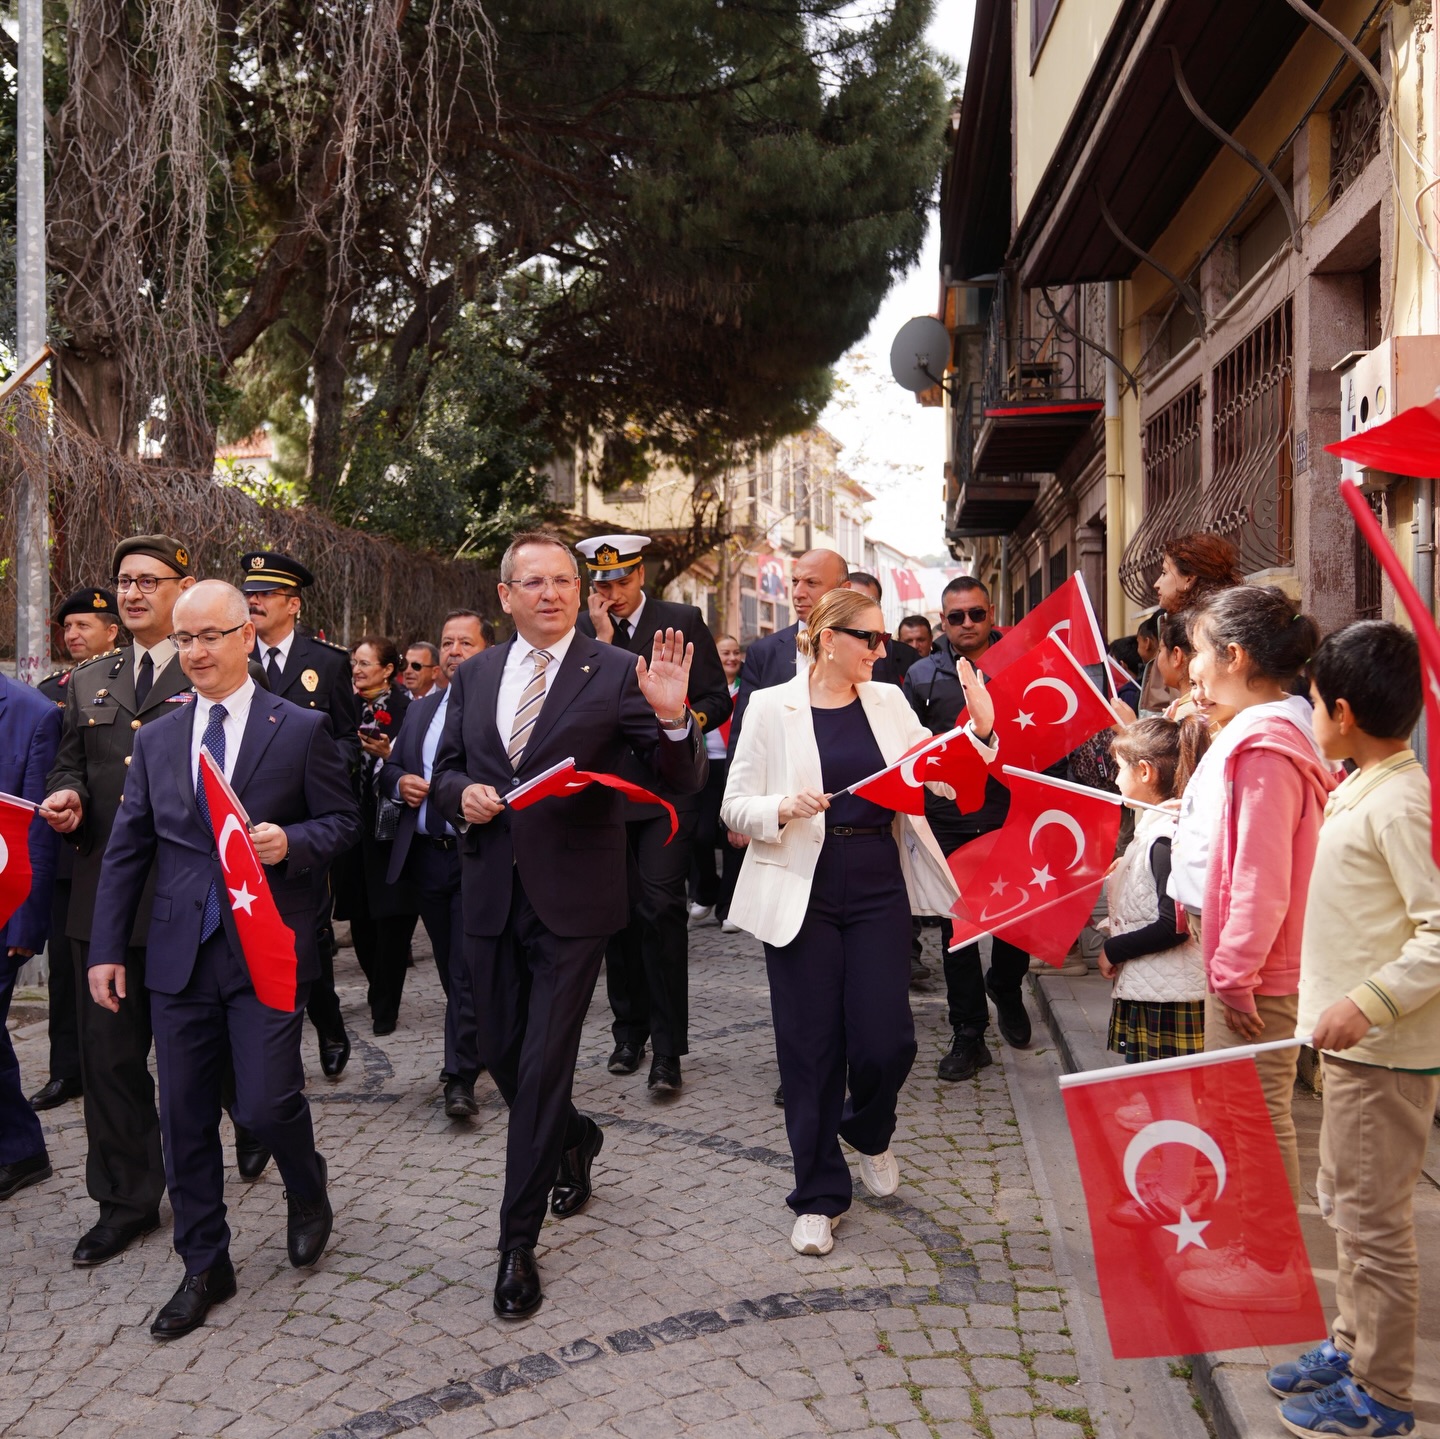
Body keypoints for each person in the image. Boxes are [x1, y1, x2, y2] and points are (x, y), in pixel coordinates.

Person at [430, 530, 707, 1319]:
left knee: (546, 1061)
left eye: (563, 581)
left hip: (575, 901)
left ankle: (516, 1244)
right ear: (505, 593)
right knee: (495, 1050)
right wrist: (459, 797)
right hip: (488, 890)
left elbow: (675, 775)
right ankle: (574, 1136)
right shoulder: (476, 672)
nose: (550, 593)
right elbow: (447, 765)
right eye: (534, 581)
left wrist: (674, 718)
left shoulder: (617, 670)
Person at [88, 581, 360, 1338]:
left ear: (248, 635)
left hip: (265, 946)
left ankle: (306, 1188)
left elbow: (344, 821)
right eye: (186, 638)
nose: (198, 651)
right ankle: (205, 1261)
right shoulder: (159, 738)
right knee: (183, 1118)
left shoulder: (299, 728)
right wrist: (107, 948)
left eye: (213, 635)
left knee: (269, 1103)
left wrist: (292, 843)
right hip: (177, 955)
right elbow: (127, 851)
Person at [722, 588, 994, 1257]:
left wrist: (979, 732)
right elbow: (733, 805)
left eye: (881, 638)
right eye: (868, 639)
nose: (882, 649)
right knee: (810, 1048)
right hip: (800, 883)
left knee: (887, 1040)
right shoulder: (768, 705)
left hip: (876, 878)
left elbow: (938, 774)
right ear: (824, 638)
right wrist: (781, 806)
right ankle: (817, 1195)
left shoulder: (889, 700)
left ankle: (868, 1128)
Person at [1264, 621, 1440, 1439]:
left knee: (1375, 1230)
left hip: (1384, 1053)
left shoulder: (1405, 802)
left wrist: (1366, 1001)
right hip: (1348, 1049)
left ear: (1341, 709)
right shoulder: (1361, 782)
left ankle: (1385, 1394)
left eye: (1310, 701)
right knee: (1347, 1210)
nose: (1308, 714)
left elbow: (1437, 932)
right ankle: (1351, 1343)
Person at [1168, 585, 1335, 1311]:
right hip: (1246, 957)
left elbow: (1263, 875)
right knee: (1241, 1108)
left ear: (1234, 656)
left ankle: (1269, 1265)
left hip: (1254, 965)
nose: (1191, 670)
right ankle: (1252, 1242)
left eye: (1199, 652)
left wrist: (1233, 971)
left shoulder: (1265, 743)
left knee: (1255, 1114)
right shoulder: (1259, 728)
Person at [43, 534, 197, 1268]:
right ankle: (126, 1200)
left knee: (205, 1058)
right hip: (103, 899)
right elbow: (70, 764)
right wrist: (66, 795)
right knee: (107, 1062)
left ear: (182, 587)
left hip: (184, 900)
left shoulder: (210, 669)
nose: (133, 594)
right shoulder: (88, 679)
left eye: (149, 581)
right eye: (124, 582)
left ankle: (257, 1134)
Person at [576, 533, 731, 1094]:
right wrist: (598, 641)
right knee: (617, 911)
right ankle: (628, 1029)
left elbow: (719, 697)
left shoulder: (680, 619)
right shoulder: (582, 631)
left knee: (661, 909)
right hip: (607, 793)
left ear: (640, 576)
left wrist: (681, 727)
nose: (611, 593)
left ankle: (668, 1049)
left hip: (667, 790)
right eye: (601, 584)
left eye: (619, 582)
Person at [903, 575, 1034, 1081]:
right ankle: (969, 1033)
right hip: (949, 821)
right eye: (955, 616)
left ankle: (1005, 984)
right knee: (957, 933)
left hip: (1013, 811)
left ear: (991, 611)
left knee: (1016, 920)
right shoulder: (919, 675)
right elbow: (909, 748)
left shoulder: (1022, 662)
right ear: (943, 621)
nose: (966, 624)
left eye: (976, 614)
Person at [241, 549, 360, 1079]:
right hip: (244, 815)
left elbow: (349, 739)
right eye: (250, 593)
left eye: (266, 594)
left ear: (293, 604)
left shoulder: (327, 662)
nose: (255, 601)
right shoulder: (230, 655)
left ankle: (326, 1023)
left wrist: (324, 770)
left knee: (307, 930)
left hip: (305, 821)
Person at [377, 611, 489, 1118]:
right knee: (451, 970)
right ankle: (481, 1041)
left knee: (466, 971)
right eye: (447, 642)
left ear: (489, 650)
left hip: (475, 856)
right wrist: (398, 782)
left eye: (466, 642)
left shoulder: (496, 711)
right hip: (425, 858)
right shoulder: (421, 710)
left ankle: (458, 1076)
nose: (454, 651)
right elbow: (391, 768)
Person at [29, 587, 121, 1113]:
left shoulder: (134, 682)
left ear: (112, 630)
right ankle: (69, 1068)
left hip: (123, 843)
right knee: (67, 967)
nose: (72, 635)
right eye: (66, 628)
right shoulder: (51, 690)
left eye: (83, 625)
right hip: (71, 852)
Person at [1099, 717, 1211, 1065]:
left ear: (1145, 772)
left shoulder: (1164, 838)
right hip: (1156, 989)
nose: (1115, 779)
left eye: (1119, 769)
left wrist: (1113, 949)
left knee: (1166, 1104)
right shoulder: (1153, 832)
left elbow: (1173, 925)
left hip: (1168, 998)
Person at [333, 636, 417, 1036]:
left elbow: (421, 763)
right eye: (355, 663)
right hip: (352, 827)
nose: (358, 670)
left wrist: (390, 757)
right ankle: (376, 985)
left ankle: (386, 1004)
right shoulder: (344, 707)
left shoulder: (409, 710)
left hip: (392, 827)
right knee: (361, 917)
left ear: (388, 670)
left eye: (367, 663)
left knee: (394, 919)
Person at [0, 675, 62, 1201]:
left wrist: (25, 922)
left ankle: (20, 1152)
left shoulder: (32, 713)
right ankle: (21, 1147)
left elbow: (39, 830)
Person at [727, 548, 850, 747]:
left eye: (812, 583)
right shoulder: (763, 653)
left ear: (843, 589)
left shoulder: (869, 651)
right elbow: (744, 735)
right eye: (795, 582)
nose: (798, 593)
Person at [689, 633, 743, 924]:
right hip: (705, 768)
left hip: (736, 767)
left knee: (733, 835)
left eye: (736, 652)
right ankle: (706, 889)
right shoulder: (698, 689)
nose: (732, 658)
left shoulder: (747, 689)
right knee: (701, 835)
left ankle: (729, 907)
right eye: (725, 653)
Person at [843, 571, 917, 686]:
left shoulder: (906, 657)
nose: (862, 611)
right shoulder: (819, 650)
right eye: (854, 604)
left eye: (870, 604)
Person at [1153, 532, 1244, 614]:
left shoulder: (1205, 625)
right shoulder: (1227, 613)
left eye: (1164, 573)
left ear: (1189, 579)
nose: (1156, 584)